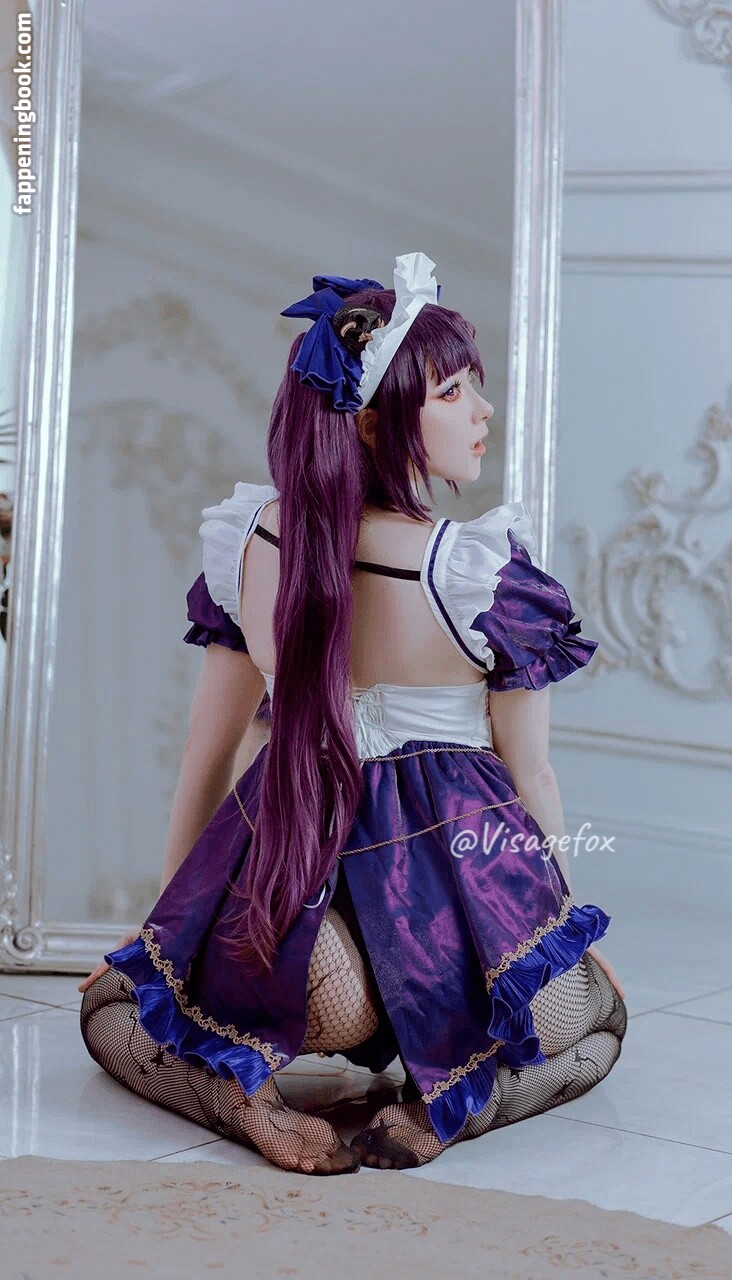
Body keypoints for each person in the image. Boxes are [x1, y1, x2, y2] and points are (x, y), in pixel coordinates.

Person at [78, 252, 627, 1177]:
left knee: (111, 1015)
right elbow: (529, 773)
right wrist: (558, 928)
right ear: (374, 421)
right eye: (452, 391)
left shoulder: (252, 541)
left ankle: (235, 1095)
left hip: (299, 917)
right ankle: (457, 1104)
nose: (482, 411)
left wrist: (169, 936)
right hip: (454, 908)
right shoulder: (480, 574)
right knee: (598, 1028)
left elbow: (206, 751)